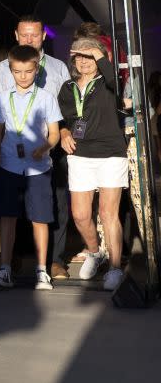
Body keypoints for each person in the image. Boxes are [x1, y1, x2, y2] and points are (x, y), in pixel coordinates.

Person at [0, 16, 72, 279]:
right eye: (24, 35)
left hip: (49, 146)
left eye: (34, 35)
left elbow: (66, 106)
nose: (29, 39)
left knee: (53, 205)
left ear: (43, 36)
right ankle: (14, 260)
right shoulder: (2, 69)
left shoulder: (58, 68)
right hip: (13, 150)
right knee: (15, 207)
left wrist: (59, 134)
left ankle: (52, 261)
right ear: (16, 35)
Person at [59, 38, 129, 292]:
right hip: (80, 155)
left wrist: (97, 53)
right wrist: (65, 132)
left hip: (110, 153)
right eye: (79, 56)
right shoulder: (67, 87)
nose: (83, 61)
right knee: (80, 215)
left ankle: (115, 267)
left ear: (99, 59)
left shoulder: (109, 84)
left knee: (108, 213)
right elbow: (64, 119)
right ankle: (94, 252)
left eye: (88, 56)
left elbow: (113, 77)